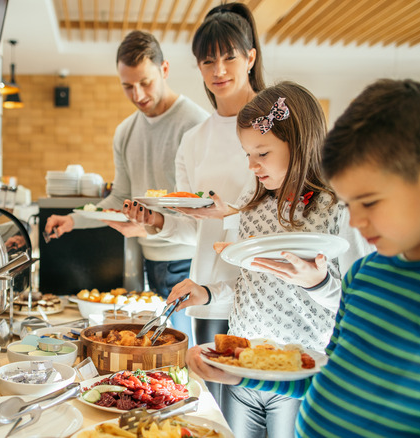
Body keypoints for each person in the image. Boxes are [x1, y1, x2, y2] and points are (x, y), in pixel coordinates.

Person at [186, 79, 420, 437]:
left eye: (367, 202)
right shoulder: (365, 275)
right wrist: (244, 373)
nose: (353, 220)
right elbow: (329, 378)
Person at [166, 81, 371, 438]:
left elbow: (361, 305)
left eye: (262, 153)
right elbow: (251, 284)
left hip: (299, 371)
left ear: (300, 142)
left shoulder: (338, 207)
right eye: (247, 154)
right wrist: (208, 293)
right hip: (243, 364)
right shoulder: (254, 201)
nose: (252, 165)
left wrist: (318, 284)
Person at [121, 2, 263, 399]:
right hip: (210, 294)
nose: (218, 71)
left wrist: (231, 214)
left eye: (228, 58)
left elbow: (287, 214)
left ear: (249, 58)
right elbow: (194, 229)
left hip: (265, 294)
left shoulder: (273, 124)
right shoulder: (194, 139)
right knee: (216, 414)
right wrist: (157, 221)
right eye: (207, 61)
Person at [44, 30, 209, 336]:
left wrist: (148, 226)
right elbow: (120, 197)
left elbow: (203, 208)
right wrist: (73, 219)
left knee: (187, 352)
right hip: (150, 260)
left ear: (165, 69)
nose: (138, 95)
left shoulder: (197, 124)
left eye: (145, 82)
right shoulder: (125, 132)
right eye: (128, 86)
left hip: (189, 262)